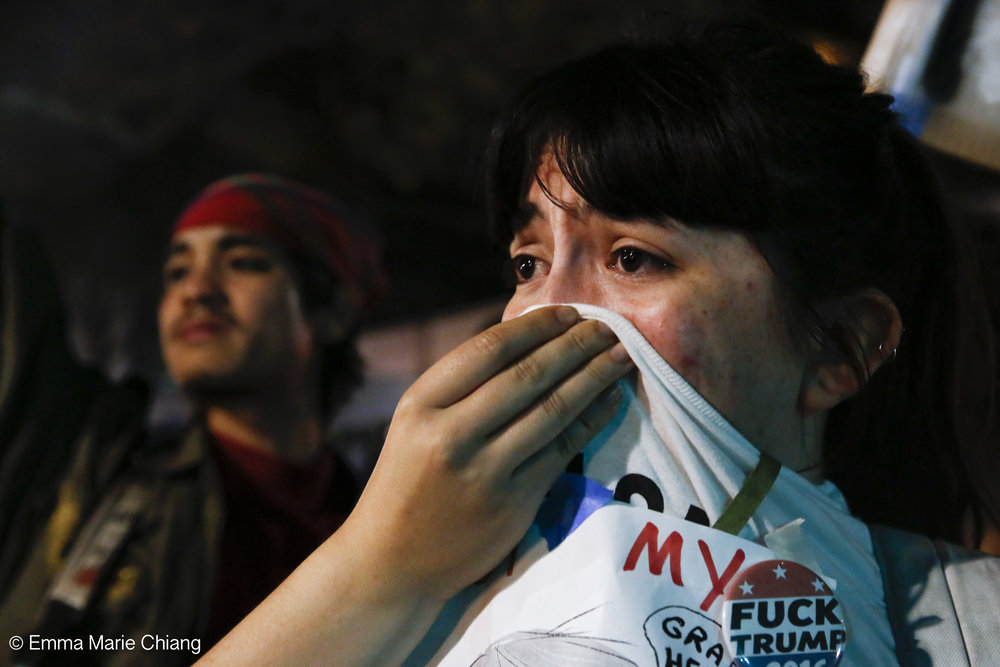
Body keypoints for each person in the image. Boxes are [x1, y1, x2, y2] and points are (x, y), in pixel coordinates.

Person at [200, 21, 998, 666]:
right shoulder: (410, 600)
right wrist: (377, 568)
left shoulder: (965, 623)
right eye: (528, 260)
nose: (549, 308)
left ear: (843, 350)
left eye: (632, 257)